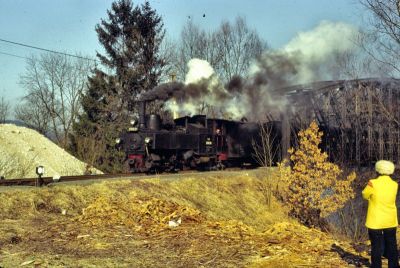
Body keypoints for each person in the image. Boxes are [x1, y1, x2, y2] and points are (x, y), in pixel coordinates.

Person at [362, 160, 399, 268]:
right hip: (390, 220)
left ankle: (376, 266)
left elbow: (365, 195)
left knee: (376, 246)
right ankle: (394, 266)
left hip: (375, 220)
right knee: (392, 245)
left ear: (378, 170)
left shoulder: (372, 183)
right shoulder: (394, 184)